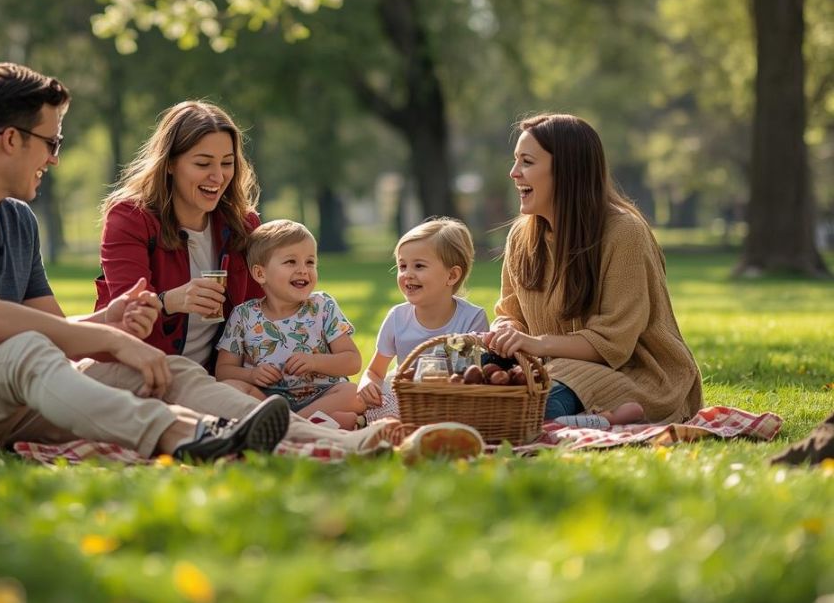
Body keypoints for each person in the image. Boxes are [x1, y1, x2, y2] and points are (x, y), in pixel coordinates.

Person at [0, 62, 292, 462]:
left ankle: (322, 440)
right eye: (51, 142)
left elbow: (58, 334)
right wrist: (119, 340)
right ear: (11, 139)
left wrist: (110, 322)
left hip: (3, 403)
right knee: (27, 351)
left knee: (155, 371)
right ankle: (189, 435)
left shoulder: (17, 219)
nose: (54, 158)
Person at [484, 113, 703, 425]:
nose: (513, 173)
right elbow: (510, 313)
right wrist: (505, 332)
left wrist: (536, 344)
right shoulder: (521, 237)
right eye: (516, 161)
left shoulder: (624, 233)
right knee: (460, 378)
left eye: (527, 162)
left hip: (636, 376)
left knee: (529, 409)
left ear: (567, 170)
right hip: (551, 370)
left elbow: (613, 344)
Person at [96, 100, 263, 372]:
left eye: (227, 163)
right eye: (202, 163)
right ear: (170, 163)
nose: (218, 176)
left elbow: (262, 312)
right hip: (136, 369)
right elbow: (127, 314)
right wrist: (170, 301)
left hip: (216, 377)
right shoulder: (130, 218)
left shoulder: (243, 225)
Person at [215, 220, 366, 429]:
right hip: (268, 400)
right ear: (260, 273)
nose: (303, 270)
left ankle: (292, 425)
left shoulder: (322, 306)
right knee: (229, 387)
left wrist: (315, 362)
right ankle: (315, 425)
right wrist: (251, 375)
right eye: (291, 262)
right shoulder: (243, 315)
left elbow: (352, 361)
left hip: (321, 397)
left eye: (310, 262)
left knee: (352, 393)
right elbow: (223, 371)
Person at [357, 217, 489, 418]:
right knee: (355, 401)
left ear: (451, 276)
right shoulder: (397, 318)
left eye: (419, 266)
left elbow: (475, 376)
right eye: (402, 266)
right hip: (405, 396)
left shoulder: (472, 318)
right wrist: (368, 385)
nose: (407, 274)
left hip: (454, 399)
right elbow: (375, 371)